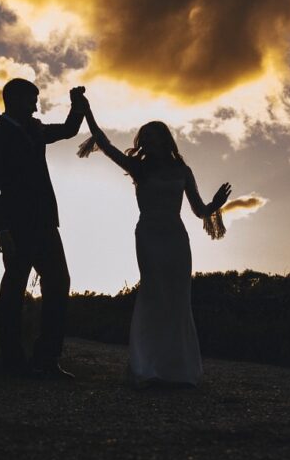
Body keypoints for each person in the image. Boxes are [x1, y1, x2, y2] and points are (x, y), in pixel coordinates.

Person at [78, 106, 231, 387]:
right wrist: (86, 111)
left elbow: (199, 210)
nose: (146, 142)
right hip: (148, 235)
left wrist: (215, 205)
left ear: (164, 139)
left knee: (177, 299)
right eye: (143, 138)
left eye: (151, 137)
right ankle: (147, 367)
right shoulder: (138, 167)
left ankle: (178, 370)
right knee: (153, 295)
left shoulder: (182, 170)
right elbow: (106, 144)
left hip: (176, 238)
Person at [0, 78, 89, 379]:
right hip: (15, 226)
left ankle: (47, 358)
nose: (36, 105)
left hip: (45, 224)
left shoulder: (36, 130)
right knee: (14, 289)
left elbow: (67, 130)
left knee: (59, 281)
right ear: (13, 99)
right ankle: (12, 361)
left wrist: (78, 106)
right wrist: (0, 230)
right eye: (32, 99)